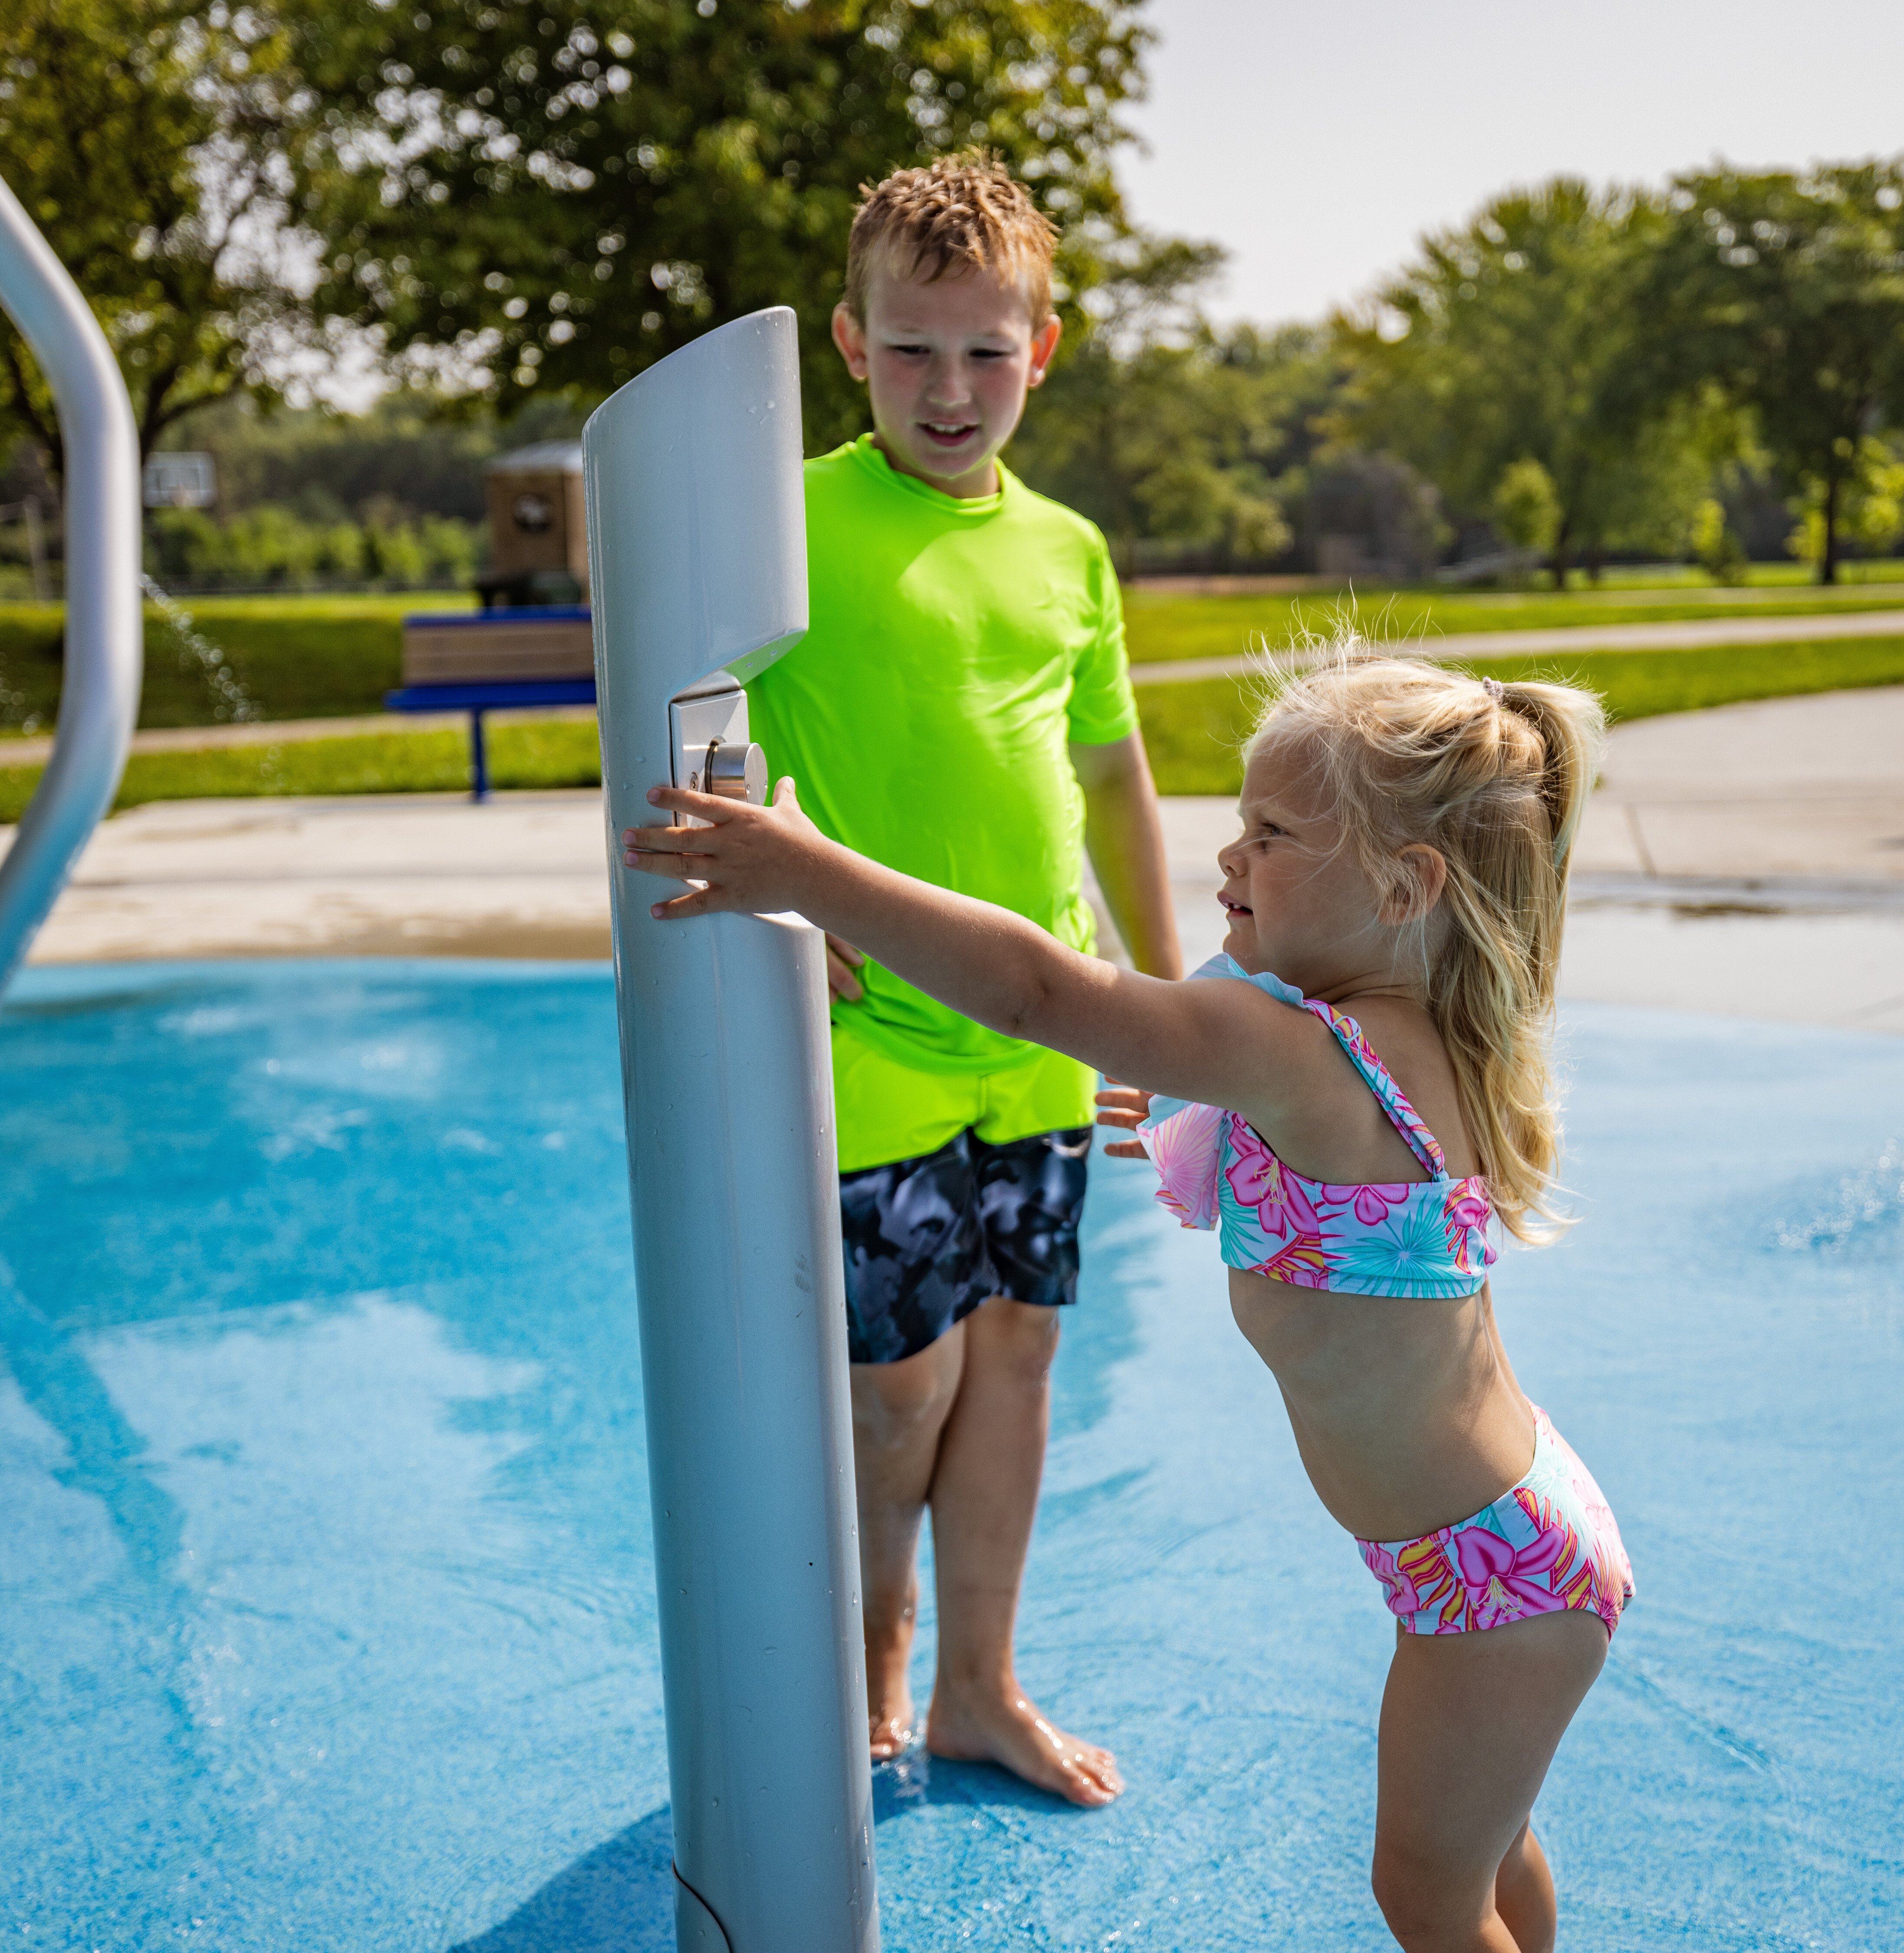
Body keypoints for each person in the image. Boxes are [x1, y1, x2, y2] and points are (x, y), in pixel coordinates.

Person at [625, 645, 1636, 1953]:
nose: (1226, 860)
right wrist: (1210, 1109)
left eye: (1270, 835)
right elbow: (1337, 1193)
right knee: (1485, 1858)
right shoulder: (1423, 1028)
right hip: (1517, 1542)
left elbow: (1042, 987)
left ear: (1405, 883)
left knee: (1425, 1896)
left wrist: (805, 874)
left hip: (1491, 1585)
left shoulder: (1294, 1051)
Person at [742, 152, 1183, 1808]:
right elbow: (684, 715)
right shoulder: (781, 518)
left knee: (1017, 1359)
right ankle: (872, 1656)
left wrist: (1153, 989)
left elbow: (1114, 773)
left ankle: (980, 1687)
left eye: (984, 352)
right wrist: (774, 885)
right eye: (911, 349)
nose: (949, 390)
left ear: (1042, 350)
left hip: (1043, 1034)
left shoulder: (1068, 551)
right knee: (897, 1383)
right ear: (851, 346)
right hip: (871, 1033)